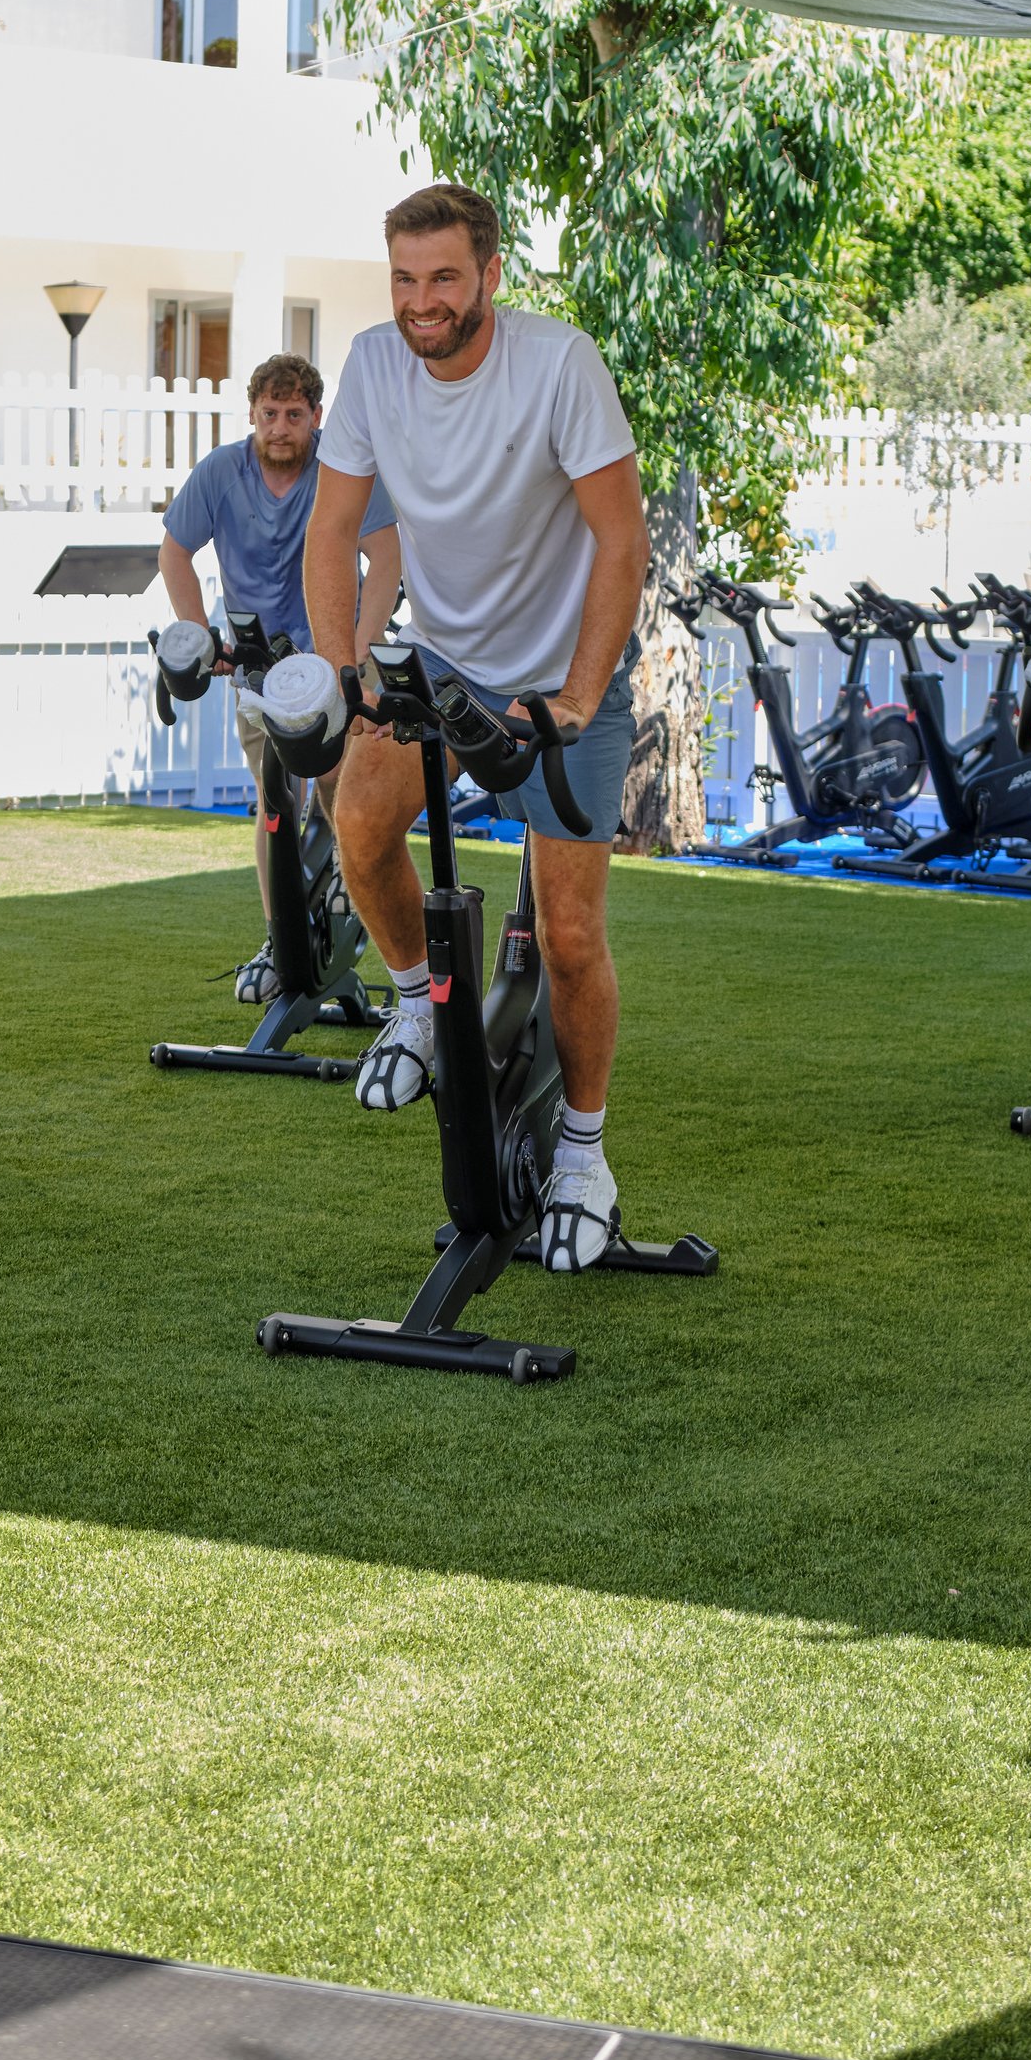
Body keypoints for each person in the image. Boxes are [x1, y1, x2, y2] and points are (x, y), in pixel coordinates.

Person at [303, 184, 647, 1258]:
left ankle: (584, 1156)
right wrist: (340, 670)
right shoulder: (369, 365)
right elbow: (331, 530)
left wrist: (582, 692)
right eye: (404, 279)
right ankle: (415, 1001)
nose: (421, 302)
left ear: (489, 273)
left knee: (571, 933)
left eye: (443, 277)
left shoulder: (558, 364)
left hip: (557, 674)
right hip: (446, 662)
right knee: (356, 820)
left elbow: (620, 539)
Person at [161, 351, 401, 989]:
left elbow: (387, 558)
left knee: (345, 798)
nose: (281, 427)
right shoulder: (221, 472)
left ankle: (357, 914)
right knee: (274, 805)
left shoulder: (340, 470)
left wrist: (356, 646)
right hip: (257, 670)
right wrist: (202, 634)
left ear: (316, 417)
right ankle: (281, 941)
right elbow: (174, 552)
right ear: (253, 415)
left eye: (295, 414)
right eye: (270, 414)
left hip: (335, 664)